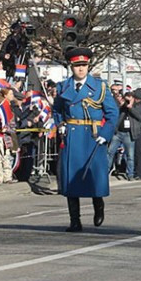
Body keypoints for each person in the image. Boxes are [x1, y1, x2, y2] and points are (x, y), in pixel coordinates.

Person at [53, 48, 119, 232]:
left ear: (88, 66)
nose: (80, 69)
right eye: (77, 66)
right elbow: (57, 110)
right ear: (71, 67)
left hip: (93, 136)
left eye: (83, 65)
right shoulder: (63, 87)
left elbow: (112, 113)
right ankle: (75, 220)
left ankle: (98, 204)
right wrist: (61, 124)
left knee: (94, 177)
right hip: (73, 135)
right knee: (71, 179)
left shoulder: (100, 86)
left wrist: (105, 135)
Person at [106, 90, 141, 181]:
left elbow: (139, 116)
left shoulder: (137, 106)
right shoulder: (122, 107)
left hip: (129, 133)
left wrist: (130, 107)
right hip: (118, 132)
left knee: (130, 155)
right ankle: (106, 171)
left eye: (130, 98)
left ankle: (130, 174)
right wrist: (122, 104)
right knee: (110, 152)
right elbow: (116, 114)